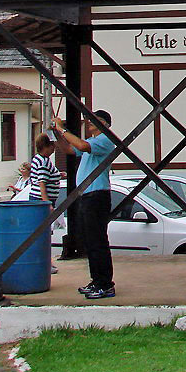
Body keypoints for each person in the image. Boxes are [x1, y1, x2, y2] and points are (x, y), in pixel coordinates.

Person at [51, 111, 117, 299]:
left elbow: (81, 145)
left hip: (97, 195)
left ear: (104, 123)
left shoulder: (104, 140)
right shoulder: (93, 140)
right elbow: (71, 150)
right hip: (88, 195)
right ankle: (96, 280)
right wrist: (57, 135)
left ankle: (105, 284)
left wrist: (62, 129)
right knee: (91, 241)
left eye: (94, 120)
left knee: (98, 242)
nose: (89, 122)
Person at [29, 134, 64, 274]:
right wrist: (47, 203)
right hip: (41, 201)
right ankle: (44, 263)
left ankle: (46, 262)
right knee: (43, 234)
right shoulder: (43, 162)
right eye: (52, 145)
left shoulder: (39, 159)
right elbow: (42, 182)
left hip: (39, 200)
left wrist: (58, 175)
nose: (54, 148)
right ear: (47, 146)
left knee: (43, 233)